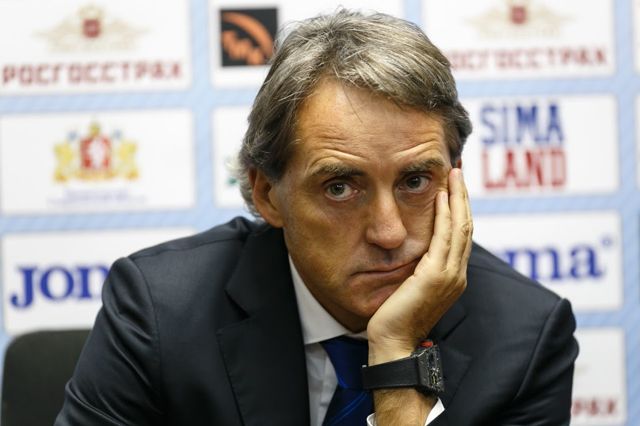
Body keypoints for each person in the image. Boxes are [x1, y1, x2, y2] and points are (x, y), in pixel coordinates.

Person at [56, 9, 578, 425]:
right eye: (340, 187)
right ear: (267, 194)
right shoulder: (161, 310)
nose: (389, 232)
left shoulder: (525, 338)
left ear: (455, 183)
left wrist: (397, 361)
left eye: (416, 181)